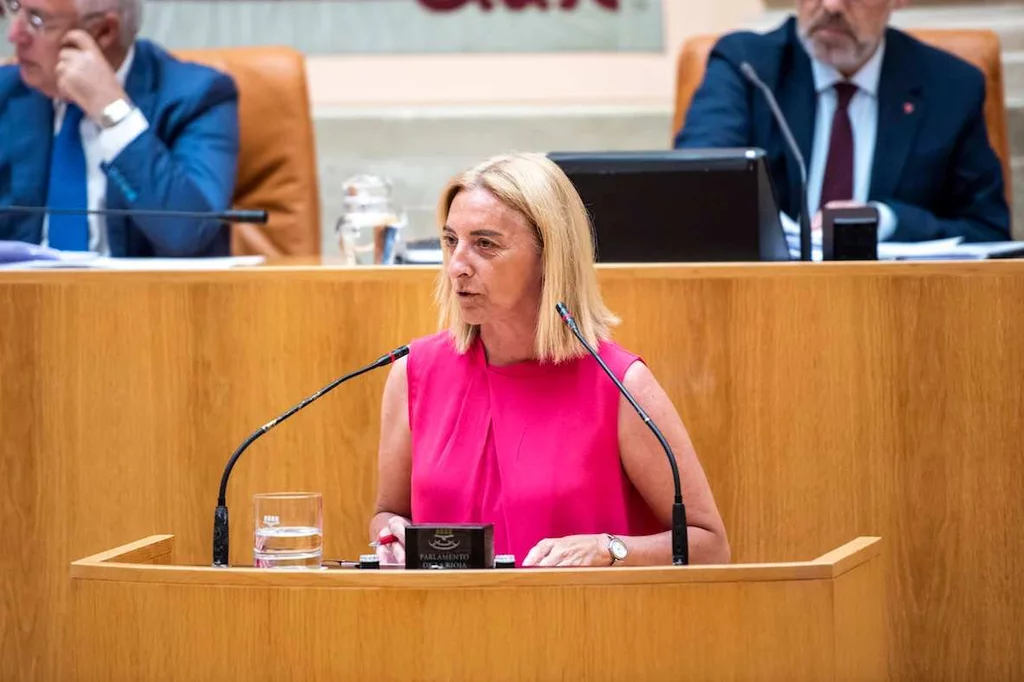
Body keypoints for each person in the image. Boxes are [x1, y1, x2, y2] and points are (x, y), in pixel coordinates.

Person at [370, 153, 730, 567]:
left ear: (548, 256)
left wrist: (607, 549)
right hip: (444, 625)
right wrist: (390, 535)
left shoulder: (619, 384)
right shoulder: (413, 373)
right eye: (451, 241)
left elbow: (710, 546)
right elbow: (388, 512)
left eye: (485, 244)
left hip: (578, 624)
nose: (456, 266)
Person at [675, 0, 1010, 255]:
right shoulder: (746, 67)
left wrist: (885, 220)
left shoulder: (951, 87)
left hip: (895, 308)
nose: (832, 6)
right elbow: (693, 193)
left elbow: (989, 231)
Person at [0, 0, 239, 256]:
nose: (14, 35)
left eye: (37, 20)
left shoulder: (197, 97)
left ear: (103, 32)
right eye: (16, 9)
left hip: (139, 294)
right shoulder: (7, 92)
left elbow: (187, 234)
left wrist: (113, 112)